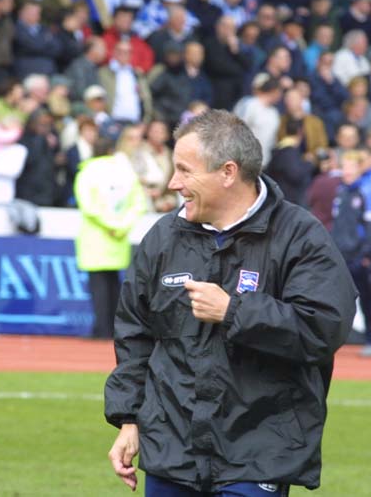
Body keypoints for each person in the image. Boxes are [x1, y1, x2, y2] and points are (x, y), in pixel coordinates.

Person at [105, 109, 356, 495]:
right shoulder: (163, 238)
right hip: (172, 450)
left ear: (227, 172)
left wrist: (234, 311)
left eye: (185, 170)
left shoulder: (299, 236)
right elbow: (135, 334)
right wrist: (129, 419)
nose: (174, 183)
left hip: (259, 451)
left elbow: (324, 327)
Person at [74, 136, 147, 339]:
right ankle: (116, 329)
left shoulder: (87, 172)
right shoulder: (126, 173)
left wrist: (110, 225)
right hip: (119, 238)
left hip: (95, 237)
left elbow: (88, 206)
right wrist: (121, 226)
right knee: (115, 285)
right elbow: (138, 204)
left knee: (99, 286)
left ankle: (101, 329)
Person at [331, 150, 371, 357]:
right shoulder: (342, 191)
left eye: (349, 167)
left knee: (369, 299)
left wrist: (366, 253)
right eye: (344, 166)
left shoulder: (368, 190)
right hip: (341, 253)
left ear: (359, 169)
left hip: (360, 255)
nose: (345, 171)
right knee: (336, 299)